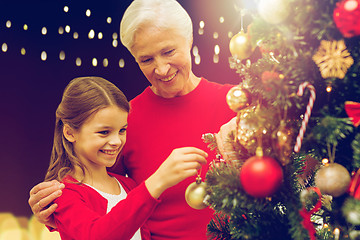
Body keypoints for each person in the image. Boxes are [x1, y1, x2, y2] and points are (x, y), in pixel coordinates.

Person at [28, 1, 237, 239]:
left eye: (169, 51)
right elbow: (101, 197)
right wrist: (54, 213)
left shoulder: (236, 103)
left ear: (189, 41)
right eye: (146, 60)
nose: (161, 69)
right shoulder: (125, 121)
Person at [42, 76, 207, 240]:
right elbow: (97, 235)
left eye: (122, 130)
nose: (116, 141)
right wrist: (157, 181)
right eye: (104, 132)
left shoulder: (128, 185)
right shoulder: (63, 194)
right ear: (70, 133)